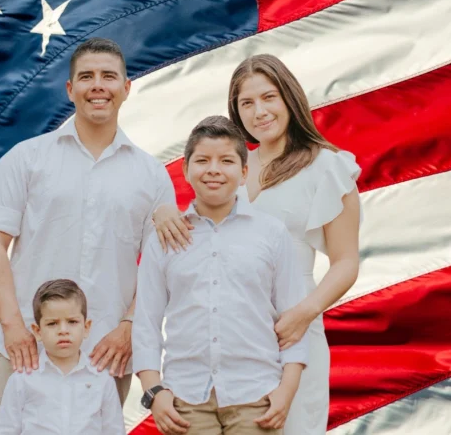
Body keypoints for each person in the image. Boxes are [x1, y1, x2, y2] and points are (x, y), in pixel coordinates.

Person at [152, 55, 361, 434]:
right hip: (230, 334)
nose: (259, 111)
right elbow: (197, 230)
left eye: (269, 97)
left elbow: (346, 261)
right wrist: (163, 211)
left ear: (289, 98)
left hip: (292, 327)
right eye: (246, 103)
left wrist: (303, 313)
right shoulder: (232, 164)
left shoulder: (327, 166)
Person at [0, 37, 176, 433]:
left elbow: (161, 262)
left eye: (108, 76)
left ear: (126, 88)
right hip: (29, 349)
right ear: (70, 89)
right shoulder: (25, 158)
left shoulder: (151, 175)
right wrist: (15, 326)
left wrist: (130, 326)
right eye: (86, 77)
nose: (97, 85)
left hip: (107, 351)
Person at [134, 115, 309, 435]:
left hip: (256, 398)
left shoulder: (271, 233)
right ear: (186, 170)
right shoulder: (165, 239)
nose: (213, 169)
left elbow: (294, 320)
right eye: (202, 160)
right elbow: (146, 323)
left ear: (244, 172)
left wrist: (286, 391)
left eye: (226, 160)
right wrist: (154, 392)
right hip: (185, 402)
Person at [0, 279, 126, 435]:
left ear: (86, 328)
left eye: (72, 322)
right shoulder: (22, 380)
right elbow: (6, 430)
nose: (63, 330)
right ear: (37, 331)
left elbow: (114, 431)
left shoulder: (102, 380)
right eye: (52, 324)